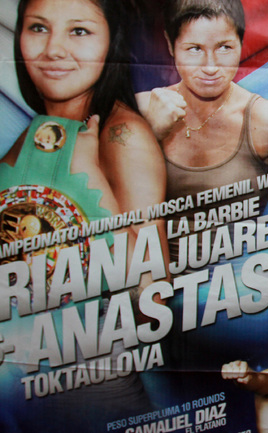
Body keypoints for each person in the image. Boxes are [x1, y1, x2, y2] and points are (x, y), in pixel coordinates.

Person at [0, 0, 167, 428]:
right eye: (38, 27)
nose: (53, 49)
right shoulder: (40, 132)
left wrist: (89, 180)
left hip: (93, 401)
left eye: (79, 31)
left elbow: (151, 301)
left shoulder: (122, 135)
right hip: (24, 396)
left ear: (113, 40)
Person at [135, 0, 268, 271]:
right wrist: (144, 136)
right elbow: (93, 203)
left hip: (237, 290)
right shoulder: (138, 111)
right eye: (195, 49)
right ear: (170, 45)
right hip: (147, 286)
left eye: (224, 47)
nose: (211, 67)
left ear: (241, 43)